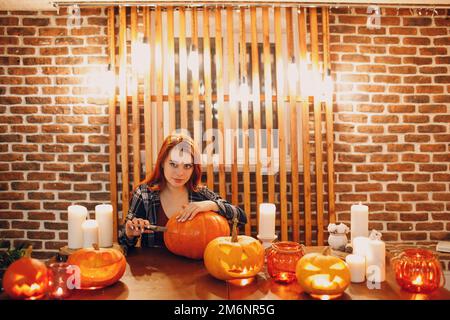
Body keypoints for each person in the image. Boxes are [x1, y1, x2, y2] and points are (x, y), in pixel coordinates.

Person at [119, 134, 247, 253]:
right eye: (173, 164)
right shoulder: (144, 194)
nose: (180, 173)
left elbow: (241, 218)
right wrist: (129, 233)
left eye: (187, 166)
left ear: (193, 168)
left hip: (194, 271)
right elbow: (124, 244)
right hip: (155, 273)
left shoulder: (201, 194)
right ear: (162, 163)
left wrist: (212, 205)